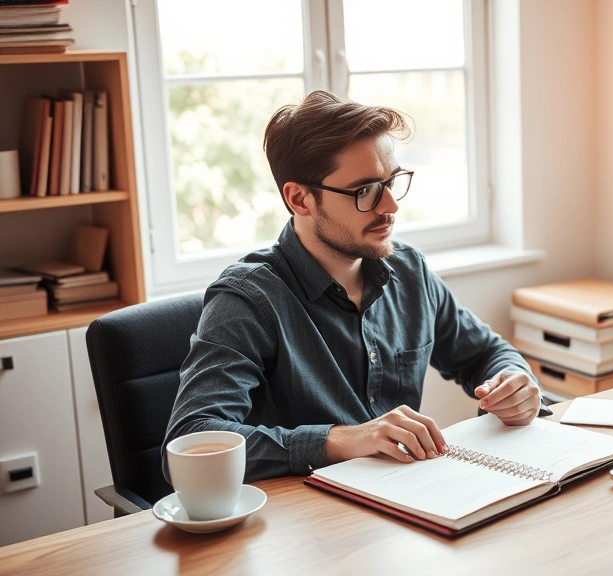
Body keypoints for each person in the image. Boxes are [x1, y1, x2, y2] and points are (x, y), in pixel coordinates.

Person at [162, 90, 542, 482]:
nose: (390, 205)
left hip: (406, 503)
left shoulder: (408, 270)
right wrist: (343, 440)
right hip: (303, 526)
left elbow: (485, 353)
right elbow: (194, 438)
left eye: (392, 181)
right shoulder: (247, 301)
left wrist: (515, 383)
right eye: (365, 191)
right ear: (300, 199)